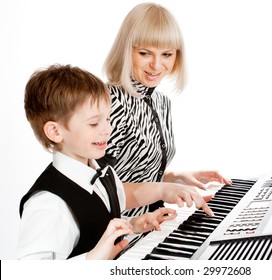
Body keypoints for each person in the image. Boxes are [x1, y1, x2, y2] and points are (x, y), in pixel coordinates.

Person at [17, 64, 213, 260]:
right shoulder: (48, 204)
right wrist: (92, 259)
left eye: (108, 119)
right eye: (94, 123)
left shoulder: (97, 168)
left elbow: (115, 200)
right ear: (55, 131)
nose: (106, 130)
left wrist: (132, 224)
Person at [99, 2, 232, 248]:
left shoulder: (161, 102)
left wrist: (177, 177)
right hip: (112, 239)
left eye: (167, 54)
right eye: (145, 53)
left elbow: (132, 171)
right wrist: (163, 188)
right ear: (126, 50)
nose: (156, 65)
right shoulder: (107, 103)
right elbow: (98, 191)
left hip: (151, 229)